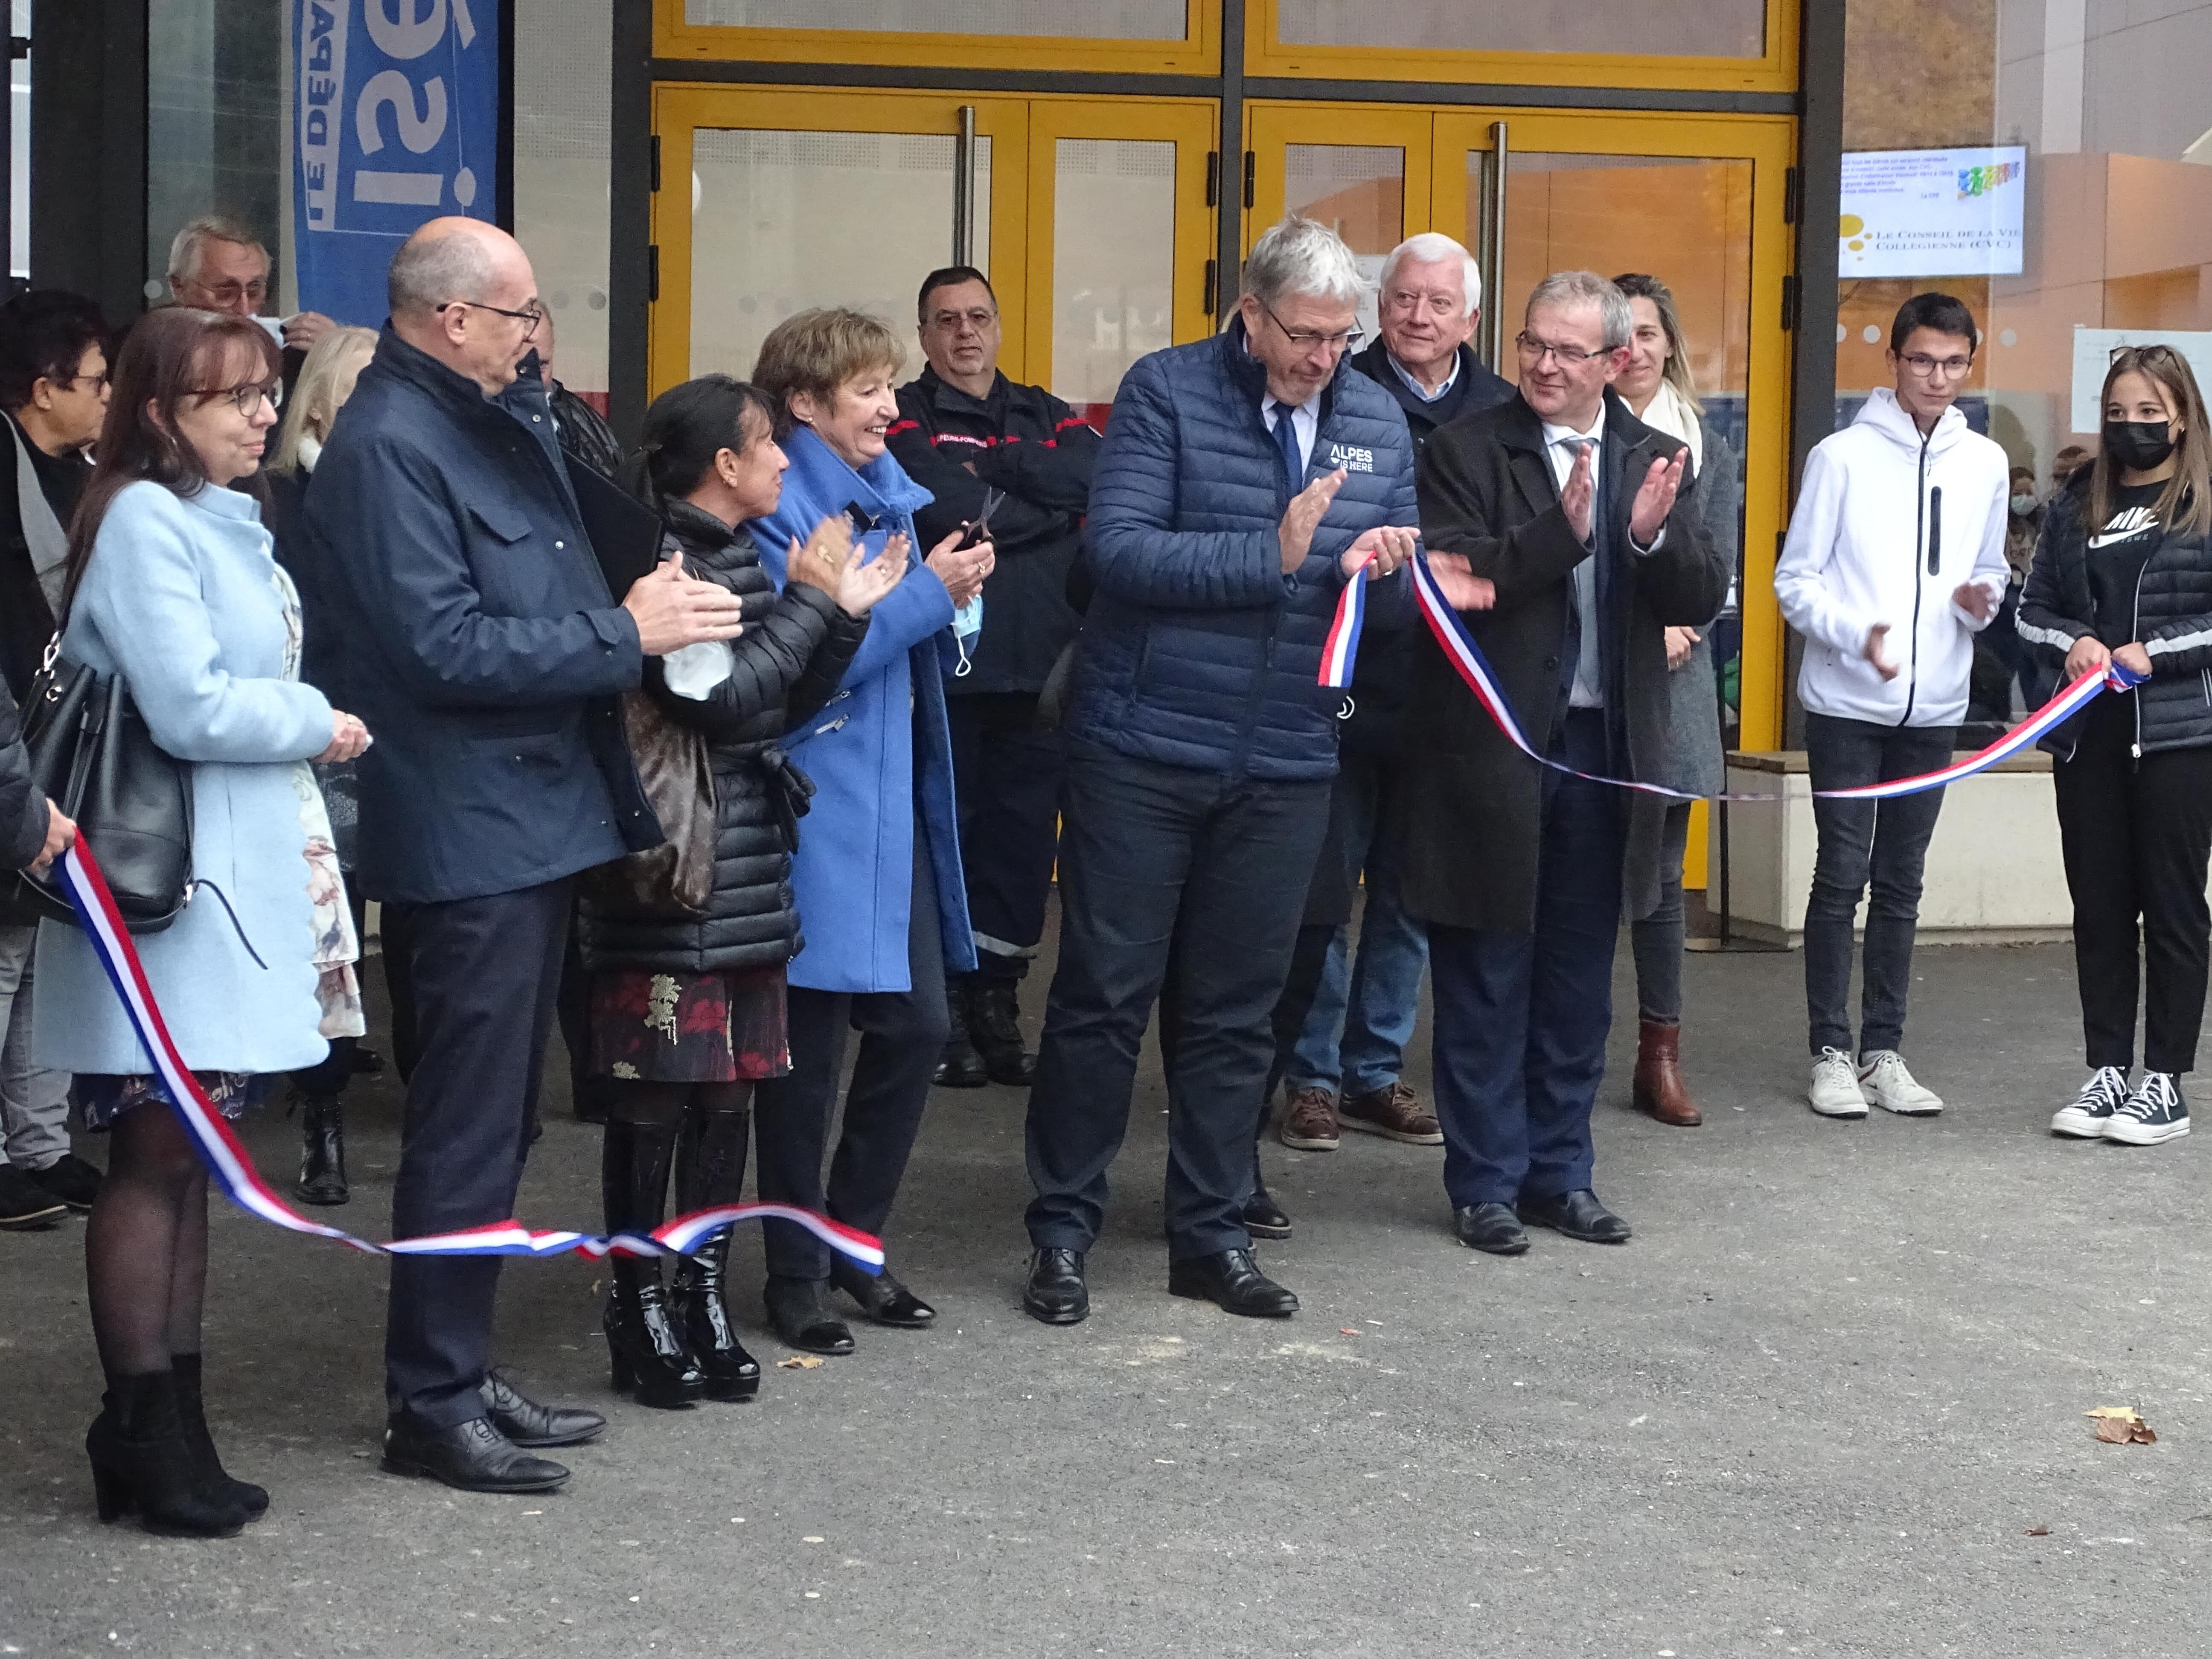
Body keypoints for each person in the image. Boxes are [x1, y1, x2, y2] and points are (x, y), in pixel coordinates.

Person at [307, 218, 747, 1495]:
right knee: (463, 1123)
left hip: (536, 813)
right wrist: (624, 633)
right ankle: (429, 1400)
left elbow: (569, 556)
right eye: (519, 315)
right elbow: (441, 650)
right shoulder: (392, 445)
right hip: (466, 825)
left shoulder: (491, 415)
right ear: (450, 318)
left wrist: (551, 418)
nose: (534, 333)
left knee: (501, 1123)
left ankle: (462, 1360)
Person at [1019, 215, 1424, 1326]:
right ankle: (1063, 1228)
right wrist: (1274, 555)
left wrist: (1388, 573)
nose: (1322, 359)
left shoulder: (1377, 418)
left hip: (1292, 756)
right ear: (1249, 314)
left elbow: (1394, 592)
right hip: (1144, 747)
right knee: (1102, 1000)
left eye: (1342, 338)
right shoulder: (1165, 392)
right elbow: (1120, 551)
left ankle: (1209, 1233)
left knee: (1241, 1014)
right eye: (1303, 335)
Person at [32, 306, 368, 1536]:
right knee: (157, 1158)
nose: (262, 415)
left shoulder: (229, 519)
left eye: (269, 394)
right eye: (234, 399)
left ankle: (170, 1425)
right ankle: (141, 1425)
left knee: (188, 1165)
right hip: (165, 897)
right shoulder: (138, 518)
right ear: (162, 413)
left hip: (221, 887)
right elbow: (188, 706)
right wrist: (315, 722)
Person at [579, 376, 891, 1406]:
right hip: (679, 868)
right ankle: (639, 1304)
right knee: (657, 1096)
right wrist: (810, 602)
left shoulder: (738, 555)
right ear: (725, 464)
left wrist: (838, 614)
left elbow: (779, 697)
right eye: (768, 446)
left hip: (747, 858)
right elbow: (715, 704)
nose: (783, 465)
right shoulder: (671, 560)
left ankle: (701, 1288)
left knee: (728, 1089)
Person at [1401, 271, 1725, 1257]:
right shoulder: (1461, 447)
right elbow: (1459, 573)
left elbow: (1703, 587)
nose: (1543, 364)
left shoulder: (1656, 456)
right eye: (1531, 344)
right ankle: (1485, 1182)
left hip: (1604, 747)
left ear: (1616, 361)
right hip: (1495, 744)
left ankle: (1559, 1174)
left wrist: (1645, 534)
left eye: (1567, 351)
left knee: (1578, 974)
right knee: (1488, 969)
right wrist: (1567, 534)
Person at [748, 308, 991, 1356]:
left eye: (890, 387)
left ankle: (854, 1241)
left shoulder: (887, 497)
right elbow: (801, 667)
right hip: (812, 812)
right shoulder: (781, 511)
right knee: (803, 1062)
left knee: (919, 1029)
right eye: (868, 391)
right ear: (804, 403)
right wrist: (931, 596)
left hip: (894, 815)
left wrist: (945, 595)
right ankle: (797, 1272)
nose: (894, 407)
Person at [1271, 233, 1515, 1161]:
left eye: (1438, 303)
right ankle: (1314, 1079)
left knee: (1412, 890)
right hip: (1335, 680)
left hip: (1445, 692)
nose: (1416, 316)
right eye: (1404, 298)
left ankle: (1375, 1069)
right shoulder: (1338, 390)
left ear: (1472, 320)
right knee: (1326, 889)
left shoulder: (1502, 411)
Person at [1773, 293, 2009, 1120]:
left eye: (1952, 363)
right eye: (1922, 360)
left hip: (1935, 703)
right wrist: (1856, 633)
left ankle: (1884, 1051)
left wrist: (1981, 600)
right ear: (1894, 361)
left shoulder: (1985, 462)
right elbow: (1793, 581)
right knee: (1841, 875)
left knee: (1901, 882)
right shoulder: (1840, 457)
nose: (1936, 377)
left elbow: (1989, 573)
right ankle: (1830, 1051)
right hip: (1847, 701)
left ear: (1968, 365)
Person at [888, 266, 1101, 1090]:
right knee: (944, 832)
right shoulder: (903, 415)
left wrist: (997, 480)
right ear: (924, 333)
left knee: (1018, 844)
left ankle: (995, 1000)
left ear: (999, 325)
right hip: (940, 671)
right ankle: (940, 1003)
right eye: (945, 320)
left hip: (1038, 673)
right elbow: (938, 506)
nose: (964, 334)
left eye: (978, 316)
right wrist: (1032, 505)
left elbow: (1095, 481)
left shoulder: (1046, 415)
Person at [2020, 344, 2212, 1147]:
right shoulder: (2073, 504)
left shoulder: (2203, 500)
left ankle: (2162, 1081)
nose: (2130, 426)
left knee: (2171, 909)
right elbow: (2029, 611)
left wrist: (2153, 653)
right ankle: (2105, 1071)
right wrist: (2077, 640)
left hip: (2177, 740)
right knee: (2098, 908)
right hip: (2088, 740)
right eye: (2116, 413)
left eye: (2146, 412)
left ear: (2179, 416)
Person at [1608, 272, 1740, 1129]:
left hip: (1675, 690)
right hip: (1586, 687)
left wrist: (1676, 629)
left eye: (1648, 335)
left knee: (1658, 881)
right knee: (1570, 873)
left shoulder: (1708, 449)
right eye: (1619, 336)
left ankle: (1660, 1056)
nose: (1634, 351)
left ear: (1669, 346)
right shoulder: (1570, 436)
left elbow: (1717, 569)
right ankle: (1560, 1042)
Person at [262, 325, 381, 1205]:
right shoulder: (277, 498)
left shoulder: (401, 488)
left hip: (398, 733)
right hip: (318, 739)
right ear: (328, 399)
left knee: (393, 928)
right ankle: (323, 1114)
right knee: (327, 935)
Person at [0, 291, 109, 1228]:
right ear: (44, 390)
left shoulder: (79, 470)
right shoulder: (10, 469)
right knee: (4, 949)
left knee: (45, 941)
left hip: (57, 736)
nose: (109, 397)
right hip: (14, 735)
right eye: (96, 380)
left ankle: (40, 1146)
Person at [166, 215, 337, 360]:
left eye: (255, 292)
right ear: (179, 287)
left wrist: (336, 353)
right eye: (226, 293)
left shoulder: (279, 344)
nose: (244, 309)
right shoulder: (153, 357)